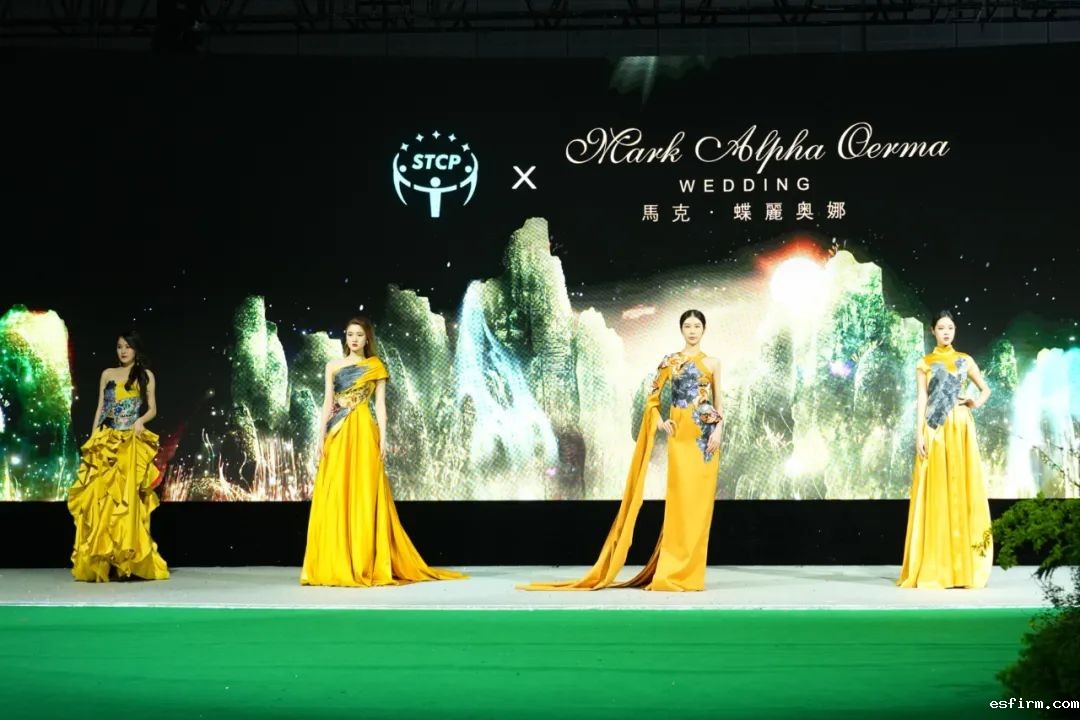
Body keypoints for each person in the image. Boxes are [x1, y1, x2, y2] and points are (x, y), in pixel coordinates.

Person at [520, 309, 723, 592]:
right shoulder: (670, 361)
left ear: (704, 329)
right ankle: (674, 572)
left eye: (697, 326)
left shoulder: (713, 363)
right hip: (680, 438)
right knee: (680, 505)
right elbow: (652, 400)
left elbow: (718, 403)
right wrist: (660, 421)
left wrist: (718, 429)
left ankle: (692, 575)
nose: (692, 331)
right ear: (681, 330)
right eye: (687, 326)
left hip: (705, 440)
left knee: (700, 508)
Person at [301, 317, 465, 587]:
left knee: (365, 491)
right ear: (345, 337)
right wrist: (320, 436)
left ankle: (364, 561)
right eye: (350, 334)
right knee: (336, 491)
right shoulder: (333, 366)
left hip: (365, 431)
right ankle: (335, 560)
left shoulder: (375, 366)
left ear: (367, 338)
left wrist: (384, 437)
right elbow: (328, 402)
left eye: (359, 334)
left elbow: (380, 405)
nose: (354, 339)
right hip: (338, 432)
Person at [897, 310, 993, 589]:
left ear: (955, 330)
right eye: (941, 328)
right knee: (937, 492)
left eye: (950, 327)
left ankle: (963, 568)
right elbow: (922, 398)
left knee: (961, 489)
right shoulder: (924, 363)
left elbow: (985, 390)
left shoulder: (965, 359)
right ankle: (937, 567)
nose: (946, 332)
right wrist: (919, 434)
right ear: (933, 331)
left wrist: (974, 402)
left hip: (961, 427)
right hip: (935, 428)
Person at [67, 330, 169, 582]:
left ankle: (126, 562)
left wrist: (140, 421)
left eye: (127, 347)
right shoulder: (107, 374)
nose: (123, 351)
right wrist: (93, 438)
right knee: (101, 501)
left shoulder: (145, 375)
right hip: (106, 440)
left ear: (136, 349)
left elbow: (153, 409)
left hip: (129, 443)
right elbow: (100, 408)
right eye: (119, 347)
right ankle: (102, 561)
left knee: (126, 502)